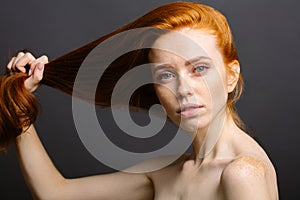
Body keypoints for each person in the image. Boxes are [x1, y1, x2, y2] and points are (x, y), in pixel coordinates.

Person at [0, 2, 278, 199]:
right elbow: (54, 193)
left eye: (200, 69)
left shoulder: (242, 174)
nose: (183, 89)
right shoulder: (170, 171)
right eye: (166, 74)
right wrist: (18, 101)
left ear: (231, 76)